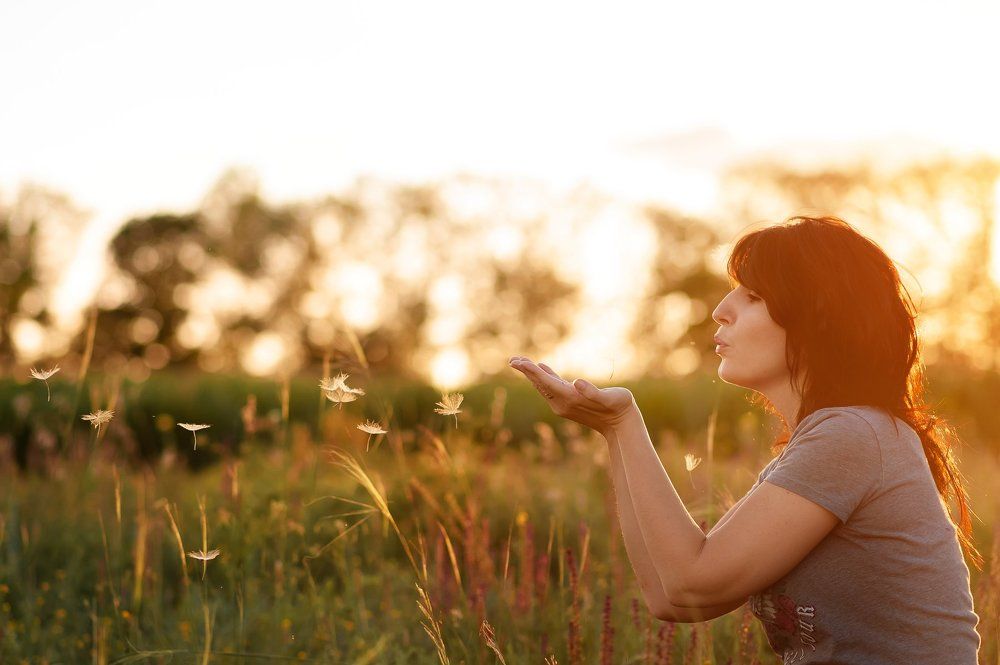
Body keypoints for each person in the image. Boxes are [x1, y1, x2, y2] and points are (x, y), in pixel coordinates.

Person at [508, 215, 982, 663]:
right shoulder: (834, 437)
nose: (721, 310)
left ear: (817, 316)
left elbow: (692, 586)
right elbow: (669, 598)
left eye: (753, 296)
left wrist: (626, 426)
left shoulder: (853, 435)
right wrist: (616, 428)